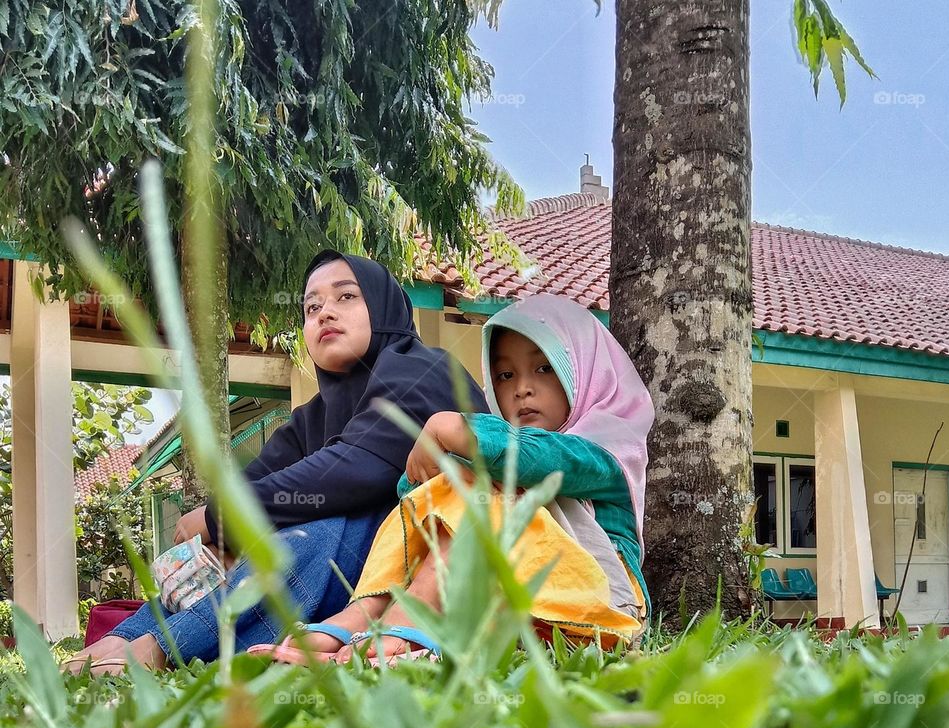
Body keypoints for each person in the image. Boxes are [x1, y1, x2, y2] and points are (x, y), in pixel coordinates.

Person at [62, 251, 486, 674]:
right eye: (312, 308)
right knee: (257, 539)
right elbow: (259, 480)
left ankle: (162, 649)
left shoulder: (423, 368)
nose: (325, 313)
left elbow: (353, 470)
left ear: (384, 306)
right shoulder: (315, 415)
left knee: (318, 530)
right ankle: (122, 638)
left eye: (346, 297)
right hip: (354, 580)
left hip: (430, 567)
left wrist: (219, 516)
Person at [261, 293, 654, 665]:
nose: (522, 389)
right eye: (504, 375)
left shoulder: (606, 454)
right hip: (510, 609)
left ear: (585, 370)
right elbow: (413, 493)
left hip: (600, 607)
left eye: (544, 368)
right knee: (464, 485)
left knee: (491, 484)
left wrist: (452, 427)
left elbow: (539, 456)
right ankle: (370, 611)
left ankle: (416, 614)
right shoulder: (496, 451)